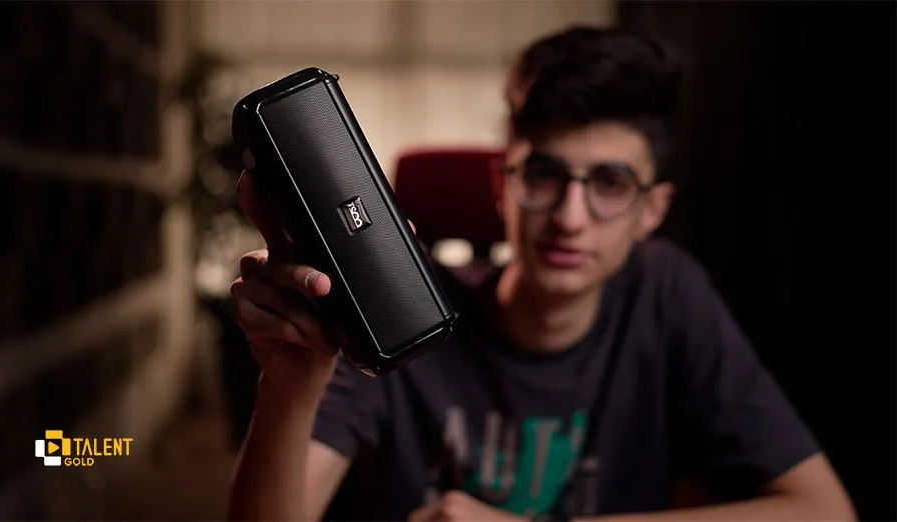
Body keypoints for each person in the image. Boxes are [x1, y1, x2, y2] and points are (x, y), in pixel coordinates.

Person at [226, 26, 856, 522]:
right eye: (544, 176)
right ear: (502, 184)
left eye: (611, 183)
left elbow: (824, 510)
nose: (569, 218)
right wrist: (290, 389)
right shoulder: (397, 313)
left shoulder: (666, 293)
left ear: (653, 210)